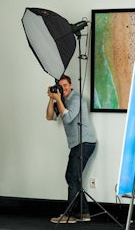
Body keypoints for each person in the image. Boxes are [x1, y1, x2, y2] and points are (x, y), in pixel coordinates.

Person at [46, 74, 97, 224]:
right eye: (60, 86)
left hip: (85, 142)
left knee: (71, 177)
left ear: (71, 85)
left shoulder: (76, 100)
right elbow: (49, 117)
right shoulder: (61, 99)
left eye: (65, 85)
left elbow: (68, 118)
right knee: (75, 178)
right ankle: (84, 213)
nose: (63, 88)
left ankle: (69, 215)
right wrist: (51, 98)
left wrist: (59, 99)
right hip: (78, 144)